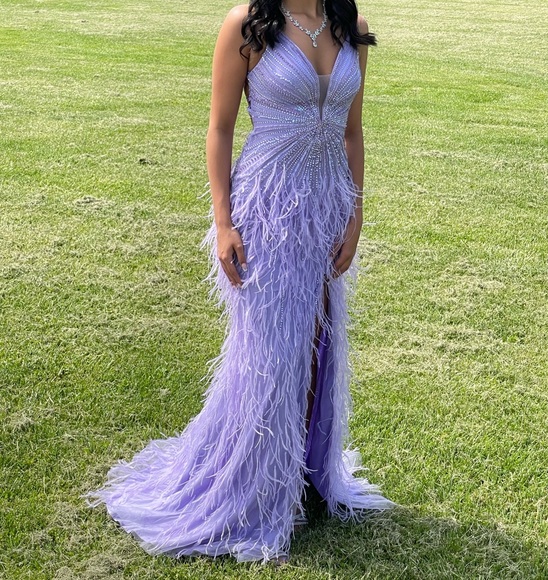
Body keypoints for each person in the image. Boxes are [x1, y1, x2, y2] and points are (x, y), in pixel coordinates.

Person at [81, 0, 396, 565]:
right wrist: (224, 222)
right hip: (267, 210)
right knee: (271, 352)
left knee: (317, 345)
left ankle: (298, 471)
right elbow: (220, 127)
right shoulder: (247, 25)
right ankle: (252, 485)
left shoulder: (352, 27)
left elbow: (353, 131)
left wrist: (355, 213)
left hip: (328, 207)